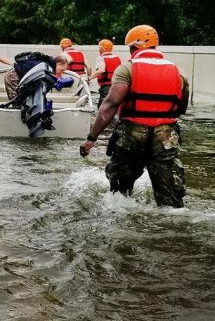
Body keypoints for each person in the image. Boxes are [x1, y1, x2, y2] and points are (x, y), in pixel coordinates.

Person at [80, 24, 190, 208]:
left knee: (119, 195)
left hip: (132, 134)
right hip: (166, 137)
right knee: (170, 201)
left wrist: (92, 138)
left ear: (133, 47)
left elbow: (110, 104)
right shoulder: (179, 72)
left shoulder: (127, 69)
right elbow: (180, 109)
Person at [88, 39, 122, 108]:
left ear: (101, 48)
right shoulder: (117, 58)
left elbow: (101, 70)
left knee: (101, 109)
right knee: (113, 108)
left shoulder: (101, 58)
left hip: (106, 87)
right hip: (117, 86)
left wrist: (89, 78)